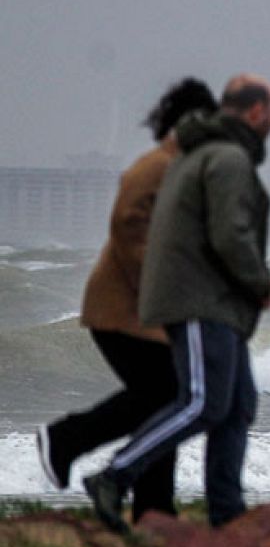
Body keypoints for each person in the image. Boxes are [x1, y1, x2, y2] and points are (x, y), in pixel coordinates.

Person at [83, 73, 270, 533]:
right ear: (255, 111)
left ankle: (227, 516)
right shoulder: (226, 158)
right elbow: (230, 235)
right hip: (202, 301)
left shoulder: (201, 153)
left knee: (236, 406)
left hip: (214, 304)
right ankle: (114, 477)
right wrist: (258, 282)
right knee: (204, 403)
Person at [36, 78, 218, 522]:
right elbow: (127, 227)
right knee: (166, 395)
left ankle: (154, 511)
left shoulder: (183, 169)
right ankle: (64, 440)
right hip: (122, 311)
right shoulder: (155, 166)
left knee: (166, 401)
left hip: (151, 315)